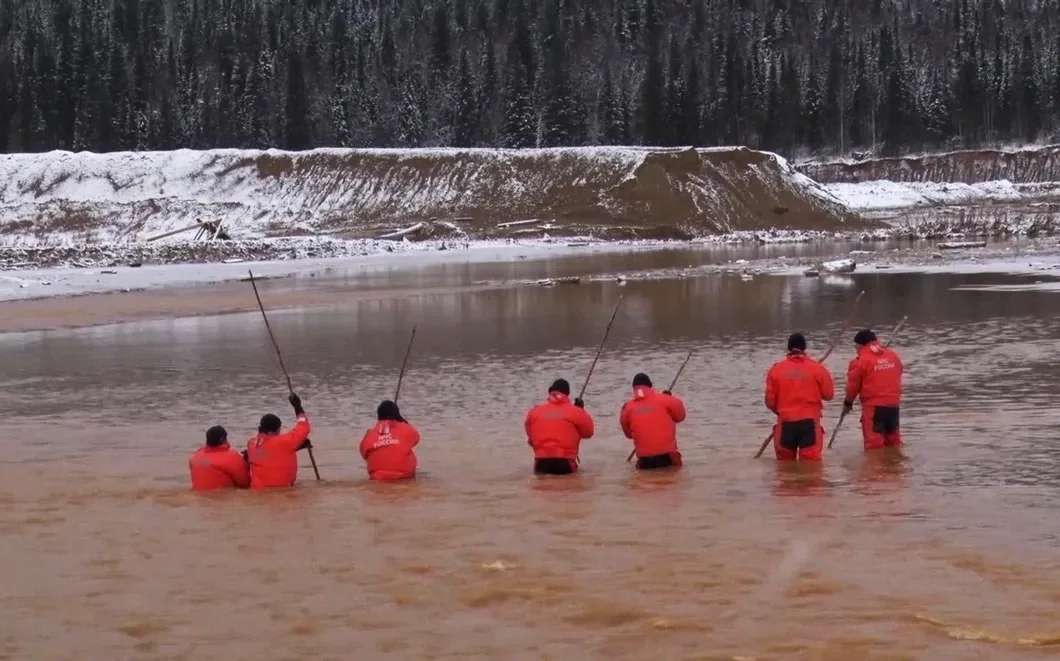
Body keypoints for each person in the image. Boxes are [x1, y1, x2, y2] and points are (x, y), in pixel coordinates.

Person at [764, 332, 835, 461]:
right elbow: (829, 395)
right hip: (809, 423)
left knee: (785, 465)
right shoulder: (817, 368)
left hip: (786, 423)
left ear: (788, 348)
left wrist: (781, 411)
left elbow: (770, 402)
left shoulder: (776, 369)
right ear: (804, 347)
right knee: (811, 466)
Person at [844, 329, 904, 451]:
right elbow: (899, 371)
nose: (856, 350)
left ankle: (875, 464)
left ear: (860, 345)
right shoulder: (892, 355)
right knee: (893, 441)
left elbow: (853, 386)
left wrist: (848, 403)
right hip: (893, 405)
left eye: (856, 346)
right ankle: (896, 462)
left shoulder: (860, 362)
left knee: (874, 445)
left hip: (874, 407)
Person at [524, 378, 595, 475]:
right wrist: (581, 410)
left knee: (542, 484)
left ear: (550, 392)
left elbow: (531, 438)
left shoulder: (534, 412)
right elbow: (588, 433)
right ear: (567, 393)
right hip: (565, 462)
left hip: (540, 461)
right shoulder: (575, 411)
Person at [620, 372, 687, 470]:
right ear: (650, 386)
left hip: (644, 461)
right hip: (669, 457)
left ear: (633, 388)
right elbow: (681, 417)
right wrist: (669, 398)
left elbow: (629, 435)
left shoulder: (627, 407)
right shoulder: (666, 399)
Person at [245, 393, 312, 489]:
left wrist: (296, 447)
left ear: (261, 428)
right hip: (283, 491)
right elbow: (304, 426)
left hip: (258, 492)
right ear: (277, 429)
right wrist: (298, 407)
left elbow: (268, 454)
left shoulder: (251, 444)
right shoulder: (285, 442)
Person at [359, 400, 420, 481]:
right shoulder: (406, 428)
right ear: (397, 414)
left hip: (378, 477)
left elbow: (364, 453)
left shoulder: (370, 433)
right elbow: (416, 439)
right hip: (405, 475)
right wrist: (404, 422)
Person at [188, 425, 250, 491]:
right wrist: (247, 463)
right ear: (222, 439)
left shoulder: (196, 457)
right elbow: (245, 483)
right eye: (226, 438)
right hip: (223, 496)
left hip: (198, 495)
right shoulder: (232, 456)